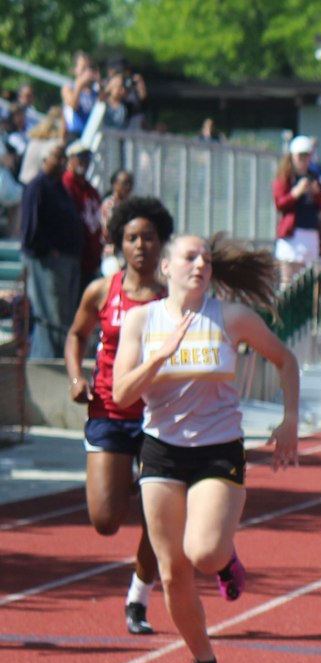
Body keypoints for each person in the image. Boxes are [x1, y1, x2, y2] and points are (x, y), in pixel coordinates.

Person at [111, 235, 301, 663]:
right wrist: (159, 355)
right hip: (161, 452)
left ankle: (224, 559)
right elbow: (121, 394)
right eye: (190, 257)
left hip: (218, 450)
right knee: (173, 571)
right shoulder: (141, 321)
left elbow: (285, 359)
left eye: (207, 260)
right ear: (166, 268)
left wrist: (290, 420)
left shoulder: (230, 317)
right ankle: (202, 660)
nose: (200, 265)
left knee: (204, 553)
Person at [63, 195, 174, 634]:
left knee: (158, 521)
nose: (141, 245)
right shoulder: (101, 290)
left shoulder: (173, 298)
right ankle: (131, 480)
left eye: (149, 237)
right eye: (132, 238)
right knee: (106, 521)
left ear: (161, 243)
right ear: (118, 243)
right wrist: (76, 378)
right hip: (109, 410)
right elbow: (76, 334)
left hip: (159, 419)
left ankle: (137, 600)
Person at [18, 142, 82, 360]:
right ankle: (46, 360)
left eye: (63, 157)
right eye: (57, 157)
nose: (62, 162)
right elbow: (30, 230)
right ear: (45, 160)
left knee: (63, 316)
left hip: (65, 261)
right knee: (50, 316)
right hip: (46, 263)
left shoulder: (58, 187)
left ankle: (59, 357)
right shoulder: (37, 187)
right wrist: (47, 250)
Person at [273, 135, 321, 282]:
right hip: (292, 236)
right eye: (300, 156)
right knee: (288, 281)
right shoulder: (285, 177)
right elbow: (280, 204)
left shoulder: (314, 176)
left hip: (310, 233)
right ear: (292, 156)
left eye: (307, 156)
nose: (304, 160)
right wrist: (295, 193)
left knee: (306, 281)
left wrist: (317, 193)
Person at [60, 141, 102, 298]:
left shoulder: (89, 189)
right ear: (70, 159)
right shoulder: (65, 185)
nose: (84, 162)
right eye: (80, 157)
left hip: (90, 259)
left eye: (87, 157)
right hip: (73, 257)